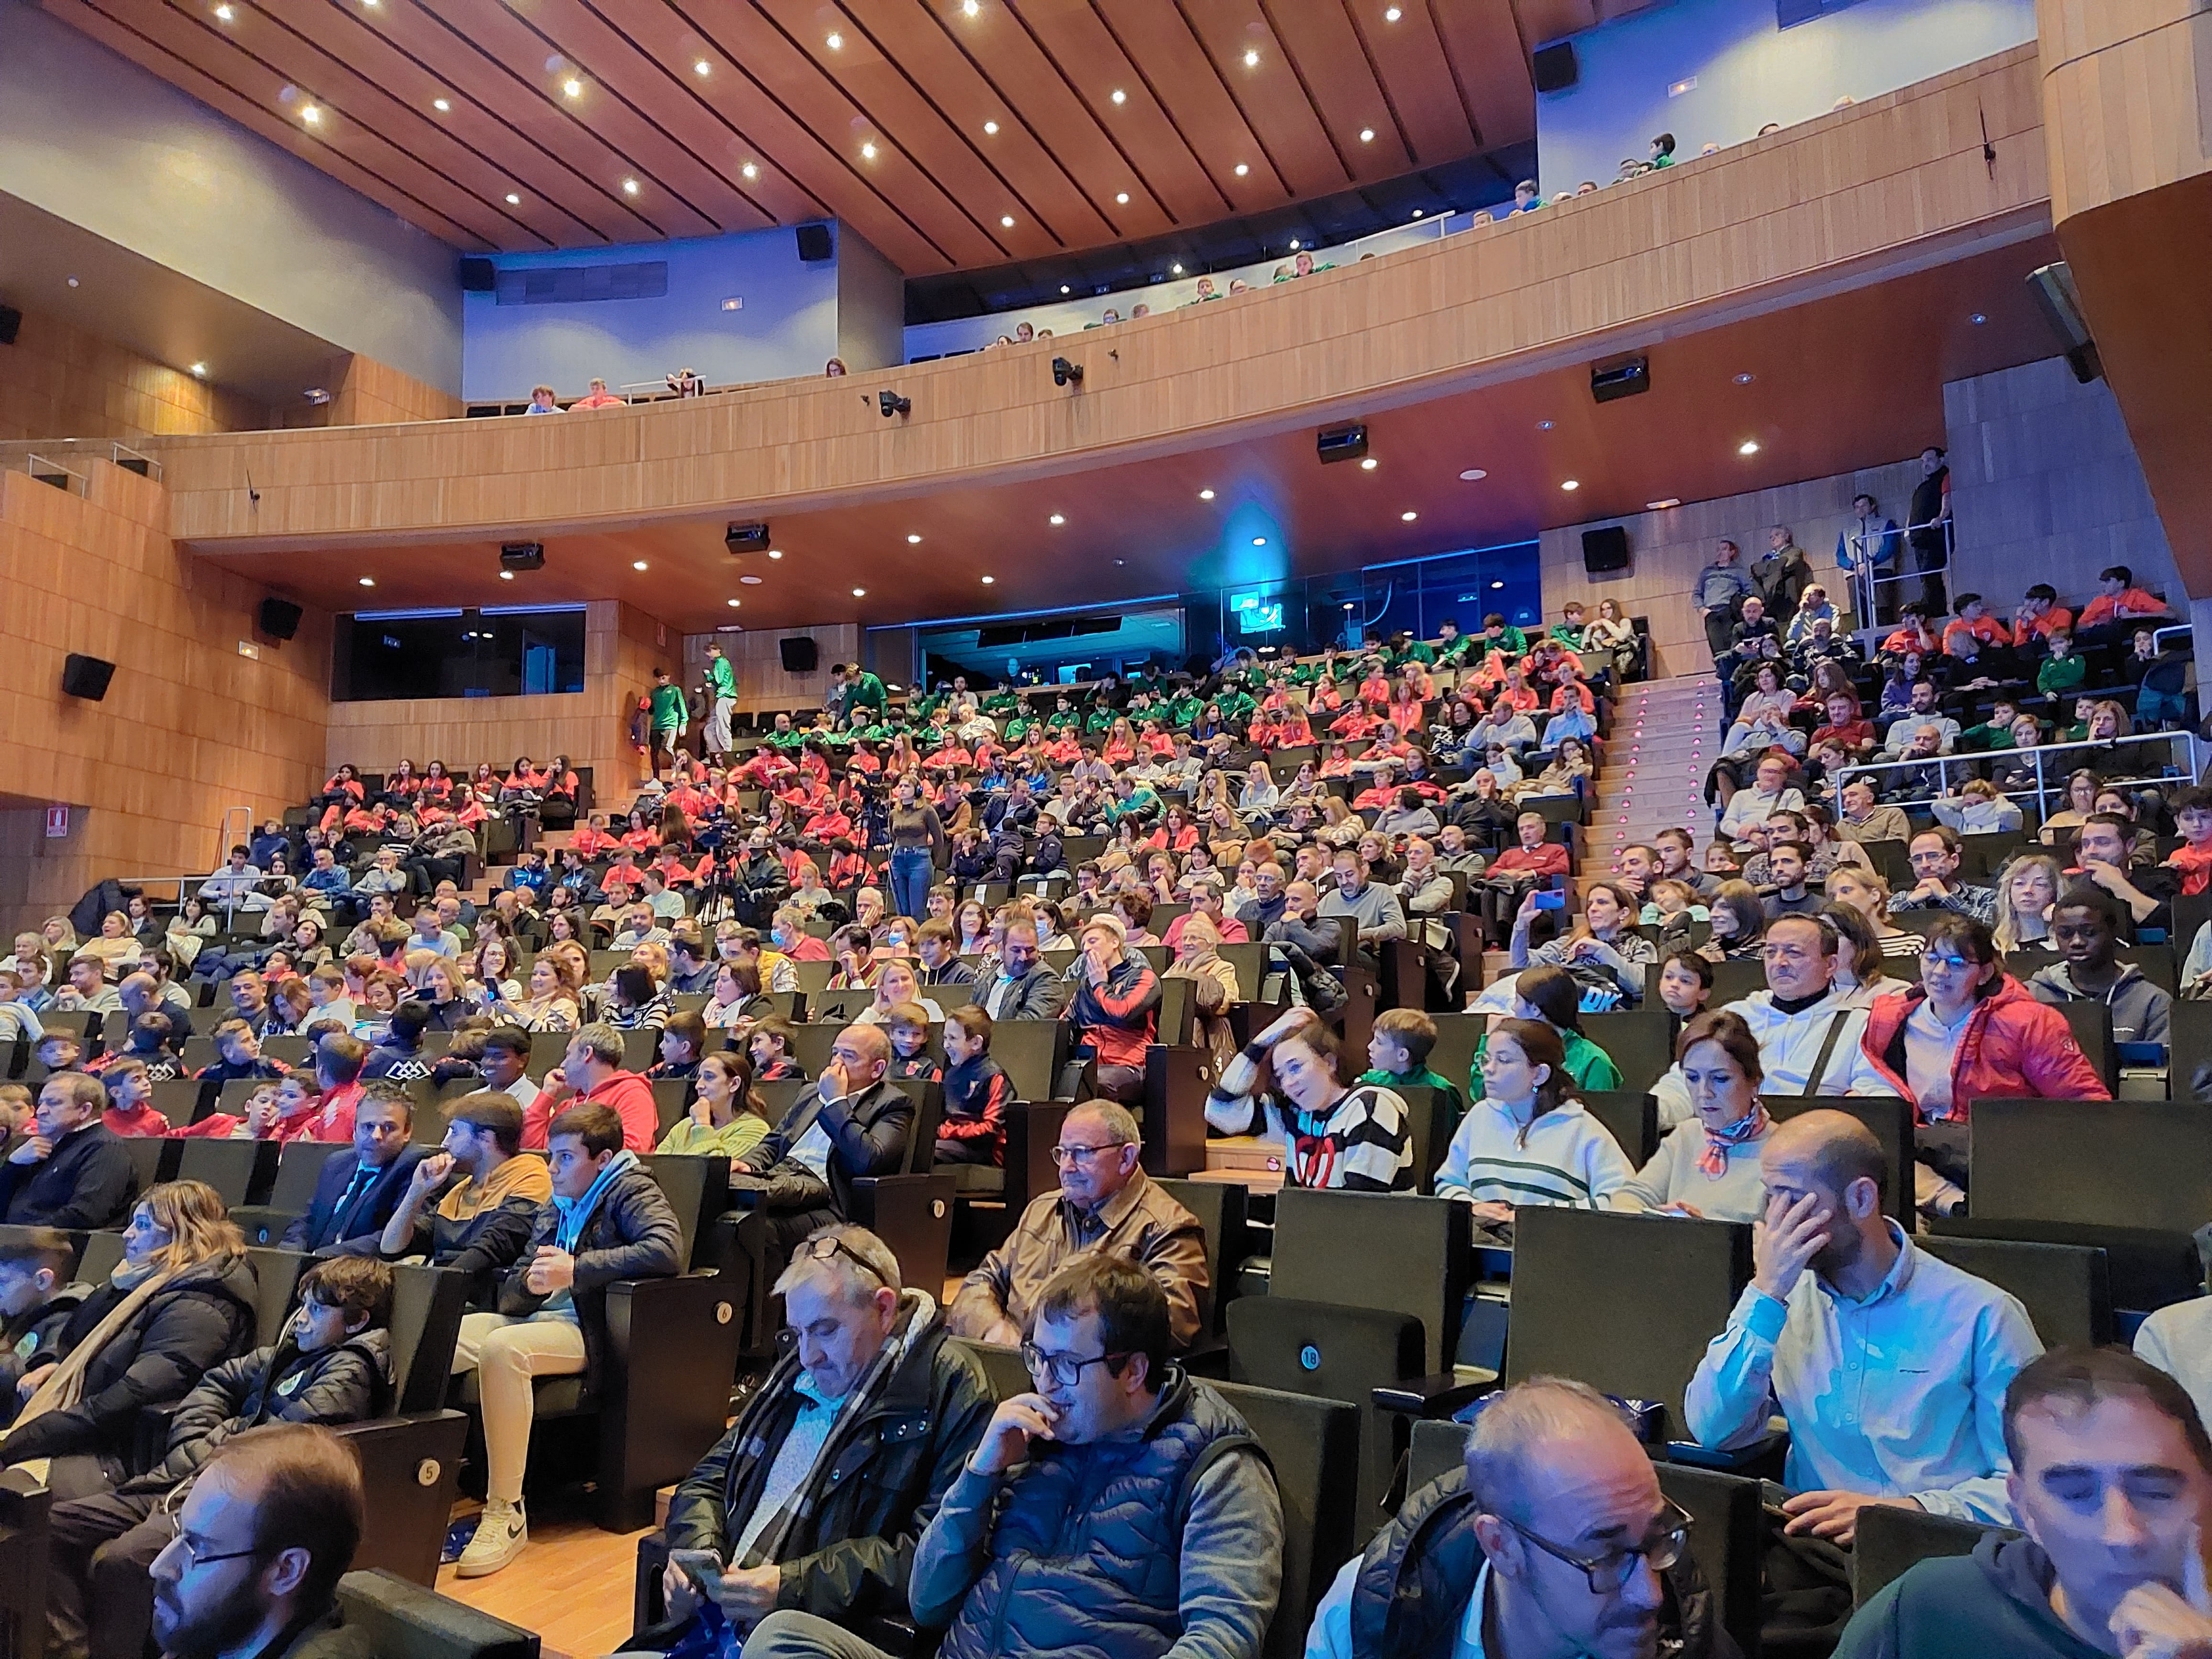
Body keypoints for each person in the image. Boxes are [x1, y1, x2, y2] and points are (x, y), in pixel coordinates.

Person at [746, 1254, 1284, 1659]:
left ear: (1134, 1371)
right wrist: (979, 1476)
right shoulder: (1030, 1439)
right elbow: (929, 1602)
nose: (1045, 1382)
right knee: (783, 1637)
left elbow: (1223, 1639)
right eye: (1037, 1358)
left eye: (1067, 1364)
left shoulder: (1215, 1466)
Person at [1684, 1110, 2042, 1539]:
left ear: (1860, 1200)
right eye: (1769, 1197)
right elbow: (1712, 1432)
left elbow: (2033, 1492)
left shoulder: (1984, 1316)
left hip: (1934, 1553)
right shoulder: (1781, 1304)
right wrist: (1765, 1293)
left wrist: (1899, 1514)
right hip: (1812, 1553)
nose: (1773, 1221)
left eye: (1791, 1198)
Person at [636, 1226, 994, 1654]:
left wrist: (791, 1586)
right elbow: (709, 1480)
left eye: (825, 1330)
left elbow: (926, 1556)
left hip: (823, 1635)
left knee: (775, 1642)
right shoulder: (794, 1375)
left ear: (883, 1309)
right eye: (798, 1334)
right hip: (720, 1626)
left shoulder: (952, 1387)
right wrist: (696, 1554)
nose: (808, 1356)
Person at [46, 1257, 395, 1659]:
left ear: (355, 1322)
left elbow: (278, 1449)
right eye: (302, 1306)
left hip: (233, 1504)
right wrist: (199, 1440)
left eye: (316, 1310)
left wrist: (216, 1450)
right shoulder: (291, 1352)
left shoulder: (350, 1371)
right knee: (55, 1526)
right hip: (190, 1478)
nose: (300, 1319)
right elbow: (217, 1382)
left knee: (124, 1561)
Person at [1307, 1375, 1735, 1659]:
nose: (1651, 1595)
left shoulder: (1687, 1632)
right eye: (1605, 1555)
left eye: (1657, 1539)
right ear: (1501, 1547)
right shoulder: (1371, 1615)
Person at [1835, 1346, 2212, 1659]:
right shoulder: (1929, 1610)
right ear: (2025, 1510)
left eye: (2156, 1492)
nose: (2124, 1535)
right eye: (2077, 1496)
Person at [453, 1102, 684, 1576]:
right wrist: (527, 1286)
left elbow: (666, 1249)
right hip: (542, 1318)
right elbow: (517, 1282)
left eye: (565, 1158)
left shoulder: (631, 1186)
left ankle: (506, 1513)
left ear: (601, 1160)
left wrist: (577, 1269)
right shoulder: (556, 1202)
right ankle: (408, 1481)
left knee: (502, 1350)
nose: (552, 1169)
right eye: (551, 1157)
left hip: (593, 1328)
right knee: (441, 1335)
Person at [3, 1182, 257, 1491]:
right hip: (81, 1428)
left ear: (183, 1233)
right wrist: (56, 1363)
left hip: (117, 1456)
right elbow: (76, 1340)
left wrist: (29, 1438)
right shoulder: (136, 1279)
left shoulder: (201, 1307)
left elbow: (130, 1398)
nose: (127, 1234)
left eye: (143, 1225)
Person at [949, 1099, 1208, 1350]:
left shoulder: (1167, 1229)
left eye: (1082, 1153)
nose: (1066, 1168)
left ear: (1126, 1158)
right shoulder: (1041, 1210)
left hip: (1083, 1382)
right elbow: (982, 1281)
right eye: (1061, 1154)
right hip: (1011, 1363)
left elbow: (1171, 1327)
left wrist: (1050, 1349)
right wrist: (992, 1330)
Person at [144, 1424, 374, 1659]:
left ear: (286, 1572)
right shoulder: (218, 1633)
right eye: (179, 1531)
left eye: (198, 1547)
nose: (158, 1567)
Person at [1434, 1018, 1632, 1226]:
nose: (1489, 1069)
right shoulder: (1479, 1116)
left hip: (1551, 1250)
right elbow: (1448, 1182)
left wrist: (1536, 1217)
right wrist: (1471, 1206)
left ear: (1540, 1074)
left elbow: (1624, 1202)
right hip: (1479, 1249)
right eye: (1487, 1059)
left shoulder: (1583, 1130)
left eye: (1503, 1060)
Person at [1205, 1007, 1415, 1192]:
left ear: (1330, 1063)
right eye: (1281, 1076)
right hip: (1314, 1230)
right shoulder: (1296, 1115)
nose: (1288, 1083)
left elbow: (1358, 1210)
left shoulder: (1370, 1108)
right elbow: (1220, 1113)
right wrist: (1259, 1043)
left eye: (1295, 1068)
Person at [375, 1091, 552, 1303]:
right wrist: (416, 1192)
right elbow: (391, 1247)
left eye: (455, 1132)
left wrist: (427, 1297)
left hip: (484, 1303)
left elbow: (491, 1249)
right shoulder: (461, 1189)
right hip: (447, 1294)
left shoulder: (530, 1176)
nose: (446, 1143)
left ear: (486, 1139)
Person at [1615, 1012, 1777, 1222]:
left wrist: (1703, 1236)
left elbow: (1780, 1244)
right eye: (1692, 1078)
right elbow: (1628, 1198)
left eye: (1720, 1079)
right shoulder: (1686, 1135)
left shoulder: (1784, 1153)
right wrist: (1662, 1226)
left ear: (1754, 1082)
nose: (1704, 1092)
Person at [280, 1084, 429, 1254]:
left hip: (357, 1271)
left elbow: (402, 1236)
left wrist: (323, 1257)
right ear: (355, 1130)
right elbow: (309, 1219)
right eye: (368, 1127)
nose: (376, 1136)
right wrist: (290, 1253)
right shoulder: (337, 1163)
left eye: (389, 1128)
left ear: (407, 1132)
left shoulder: (416, 1167)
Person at [2026, 886, 2172, 1055]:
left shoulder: (2153, 1002)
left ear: (2112, 932)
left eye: (2089, 932)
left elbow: (2158, 1075)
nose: (2077, 942)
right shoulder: (2031, 996)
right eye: (2066, 934)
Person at [0, 1072, 139, 1228]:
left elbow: (85, 1215)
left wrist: (21, 1235)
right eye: (41, 1103)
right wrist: (13, 1164)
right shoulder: (40, 1146)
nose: (40, 1111)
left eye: (53, 1103)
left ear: (85, 1110)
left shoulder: (106, 1148)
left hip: (52, 1245)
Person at [525, 1023, 659, 1152]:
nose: (562, 1064)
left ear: (587, 1054)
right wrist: (547, 1094)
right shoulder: (568, 1105)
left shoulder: (633, 1094)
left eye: (568, 1055)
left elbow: (632, 1151)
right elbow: (531, 1152)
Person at [1359, 1007, 1465, 1127]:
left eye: (1379, 1042)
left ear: (1402, 1055)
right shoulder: (1368, 1082)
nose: (1370, 1047)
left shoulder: (1441, 1090)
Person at [934, 1006, 1011, 1168]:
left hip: (981, 1152)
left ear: (976, 1042)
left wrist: (947, 1132)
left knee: (928, 1153)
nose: (946, 1045)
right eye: (945, 1038)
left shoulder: (994, 1077)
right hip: (950, 1143)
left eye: (953, 1039)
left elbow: (992, 1128)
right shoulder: (949, 1073)